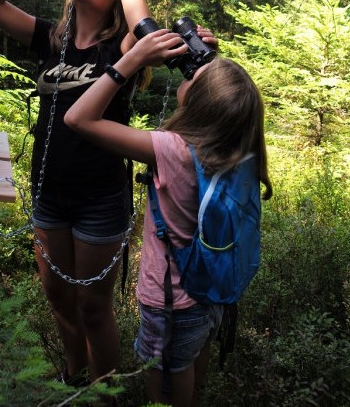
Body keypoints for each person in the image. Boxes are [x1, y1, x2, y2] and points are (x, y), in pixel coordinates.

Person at [0, 0, 151, 386]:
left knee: (93, 305)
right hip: (49, 194)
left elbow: (141, 26)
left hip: (100, 198)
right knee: (59, 300)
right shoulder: (51, 41)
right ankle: (74, 379)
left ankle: (104, 390)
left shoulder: (122, 50)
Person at [63, 30, 273, 407]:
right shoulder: (240, 144)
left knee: (165, 379)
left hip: (170, 301)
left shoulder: (172, 149)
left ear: (199, 102)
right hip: (210, 292)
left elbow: (78, 118)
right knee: (192, 359)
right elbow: (226, 100)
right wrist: (214, 70)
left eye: (194, 75)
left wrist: (131, 60)